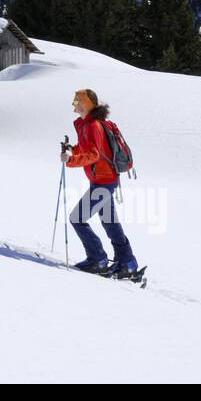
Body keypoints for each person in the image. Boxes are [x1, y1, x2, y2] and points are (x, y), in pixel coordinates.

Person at [60, 88, 139, 276]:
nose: (73, 105)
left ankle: (98, 259)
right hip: (105, 180)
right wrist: (73, 150)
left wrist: (71, 160)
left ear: (85, 104)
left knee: (77, 218)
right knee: (110, 222)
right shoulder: (88, 124)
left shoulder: (93, 125)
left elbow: (94, 155)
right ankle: (127, 262)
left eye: (76, 102)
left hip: (104, 181)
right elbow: (88, 148)